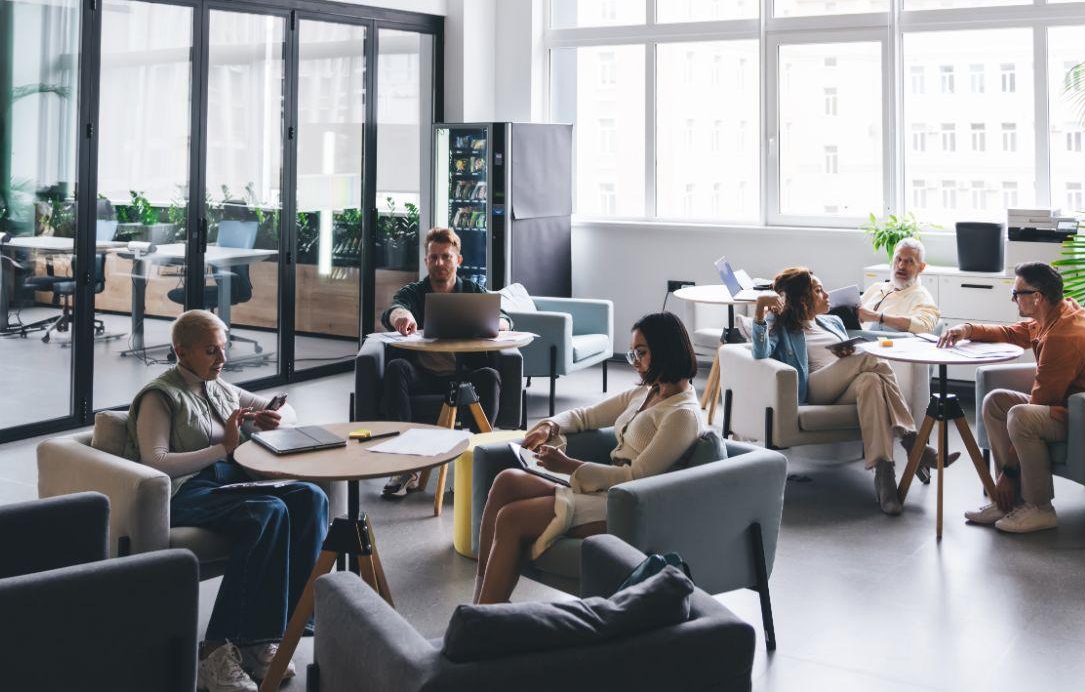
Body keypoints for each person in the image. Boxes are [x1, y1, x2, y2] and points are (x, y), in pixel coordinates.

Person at [126, 309, 329, 692]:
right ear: (181, 352)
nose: (222, 360)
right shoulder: (161, 396)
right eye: (211, 351)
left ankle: (271, 632)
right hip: (187, 491)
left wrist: (269, 417)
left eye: (223, 349)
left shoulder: (220, 387)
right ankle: (215, 650)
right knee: (267, 510)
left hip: (227, 484)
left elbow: (287, 409)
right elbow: (156, 462)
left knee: (310, 497)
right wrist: (225, 448)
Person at [474, 312, 704, 604]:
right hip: (603, 487)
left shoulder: (683, 415)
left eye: (642, 353)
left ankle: (486, 615)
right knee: (507, 481)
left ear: (666, 350)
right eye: (633, 353)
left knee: (511, 518)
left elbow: (636, 477)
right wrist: (550, 425)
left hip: (628, 504)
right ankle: (479, 602)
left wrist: (569, 466)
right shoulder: (647, 392)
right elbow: (586, 415)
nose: (634, 361)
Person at [940, 261, 1085, 534]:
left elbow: (1039, 404)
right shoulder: (1056, 313)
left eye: (1017, 293)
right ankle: (1009, 501)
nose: (1013, 299)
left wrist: (1008, 473)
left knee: (1022, 416)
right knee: (995, 402)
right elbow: (1012, 333)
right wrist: (967, 329)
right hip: (1073, 408)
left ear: (1037, 298)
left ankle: (1039, 507)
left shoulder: (1064, 335)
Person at [752, 267, 917, 515]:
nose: (827, 294)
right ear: (802, 298)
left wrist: (847, 354)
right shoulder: (782, 325)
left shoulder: (833, 321)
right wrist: (759, 310)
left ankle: (885, 480)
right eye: (818, 290)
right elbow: (760, 353)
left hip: (844, 385)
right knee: (871, 359)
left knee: (871, 380)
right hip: (816, 389)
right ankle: (912, 439)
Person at [377, 226, 509, 498]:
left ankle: (474, 461)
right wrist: (402, 318)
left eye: (446, 257)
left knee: (490, 377)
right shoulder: (414, 292)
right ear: (426, 261)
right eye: (433, 257)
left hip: (462, 377)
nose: (439, 263)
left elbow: (505, 317)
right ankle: (405, 465)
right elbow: (394, 309)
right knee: (396, 368)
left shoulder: (472, 290)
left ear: (457, 260)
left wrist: (499, 324)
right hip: (421, 374)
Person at [859, 237, 941, 334]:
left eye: (909, 261)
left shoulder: (921, 297)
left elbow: (924, 327)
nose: (901, 266)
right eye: (898, 259)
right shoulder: (877, 287)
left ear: (921, 267)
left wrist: (877, 317)